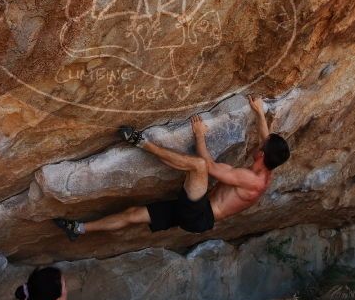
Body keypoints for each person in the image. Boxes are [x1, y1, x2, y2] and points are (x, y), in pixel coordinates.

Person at [53, 95, 290, 239]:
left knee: (197, 165)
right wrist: (259, 112)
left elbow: (208, 166)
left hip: (200, 214)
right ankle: (79, 229)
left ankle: (142, 143)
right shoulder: (267, 166)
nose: (261, 141)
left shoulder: (250, 179)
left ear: (261, 155)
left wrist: (199, 136)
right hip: (196, 209)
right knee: (133, 214)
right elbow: (265, 139)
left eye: (262, 145)